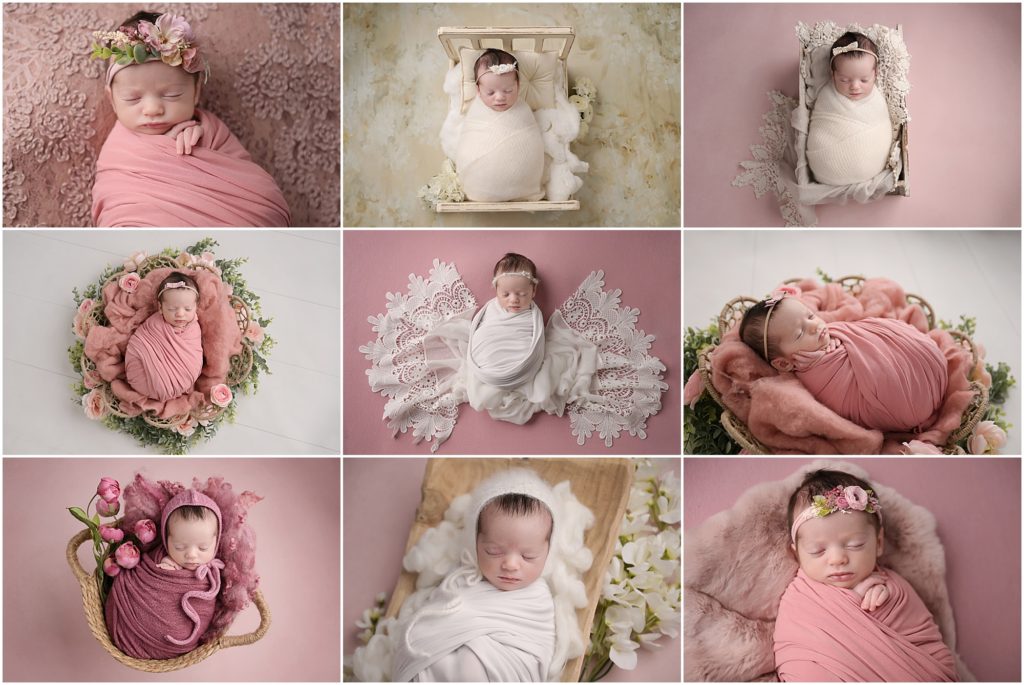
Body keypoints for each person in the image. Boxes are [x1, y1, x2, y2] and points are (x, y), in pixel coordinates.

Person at [90, 11, 290, 226]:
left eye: (172, 95)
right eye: (133, 98)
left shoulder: (212, 131)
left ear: (196, 92)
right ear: (112, 100)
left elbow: (258, 196)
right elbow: (115, 203)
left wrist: (198, 147)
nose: (152, 109)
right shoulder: (119, 152)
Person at [774, 469, 957, 681]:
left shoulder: (894, 590)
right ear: (796, 554)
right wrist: (855, 599)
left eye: (855, 545)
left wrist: (887, 597)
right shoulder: (799, 601)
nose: (837, 559)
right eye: (818, 550)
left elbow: (926, 642)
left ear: (878, 543)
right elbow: (796, 649)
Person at [739, 286, 947, 432]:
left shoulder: (829, 333)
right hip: (903, 403)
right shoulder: (813, 377)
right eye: (800, 333)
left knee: (884, 329)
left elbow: (857, 329)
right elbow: (840, 400)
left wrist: (857, 337)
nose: (814, 326)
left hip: (920, 369)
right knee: (883, 373)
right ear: (784, 363)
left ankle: (921, 356)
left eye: (810, 316)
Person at [105, 490, 225, 660]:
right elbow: (136, 576)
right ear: (166, 539)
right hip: (127, 628)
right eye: (180, 547)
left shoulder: (211, 578)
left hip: (175, 643)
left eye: (203, 548)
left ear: (216, 541)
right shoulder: (156, 557)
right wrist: (161, 570)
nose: (191, 555)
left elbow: (205, 609)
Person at [806, 32, 893, 186]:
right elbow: (821, 127)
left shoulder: (877, 100)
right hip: (826, 165)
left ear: (875, 74)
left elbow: (883, 127)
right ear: (832, 75)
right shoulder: (827, 95)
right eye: (844, 80)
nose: (855, 86)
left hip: (870, 167)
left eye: (864, 80)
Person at [124, 272, 204, 402]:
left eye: (188, 309)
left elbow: (194, 355)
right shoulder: (154, 324)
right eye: (172, 309)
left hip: (181, 376)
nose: (180, 314)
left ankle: (170, 386)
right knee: (137, 358)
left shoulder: (193, 329)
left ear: (196, 307)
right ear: (160, 308)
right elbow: (139, 341)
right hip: (141, 376)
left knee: (190, 369)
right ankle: (164, 387)